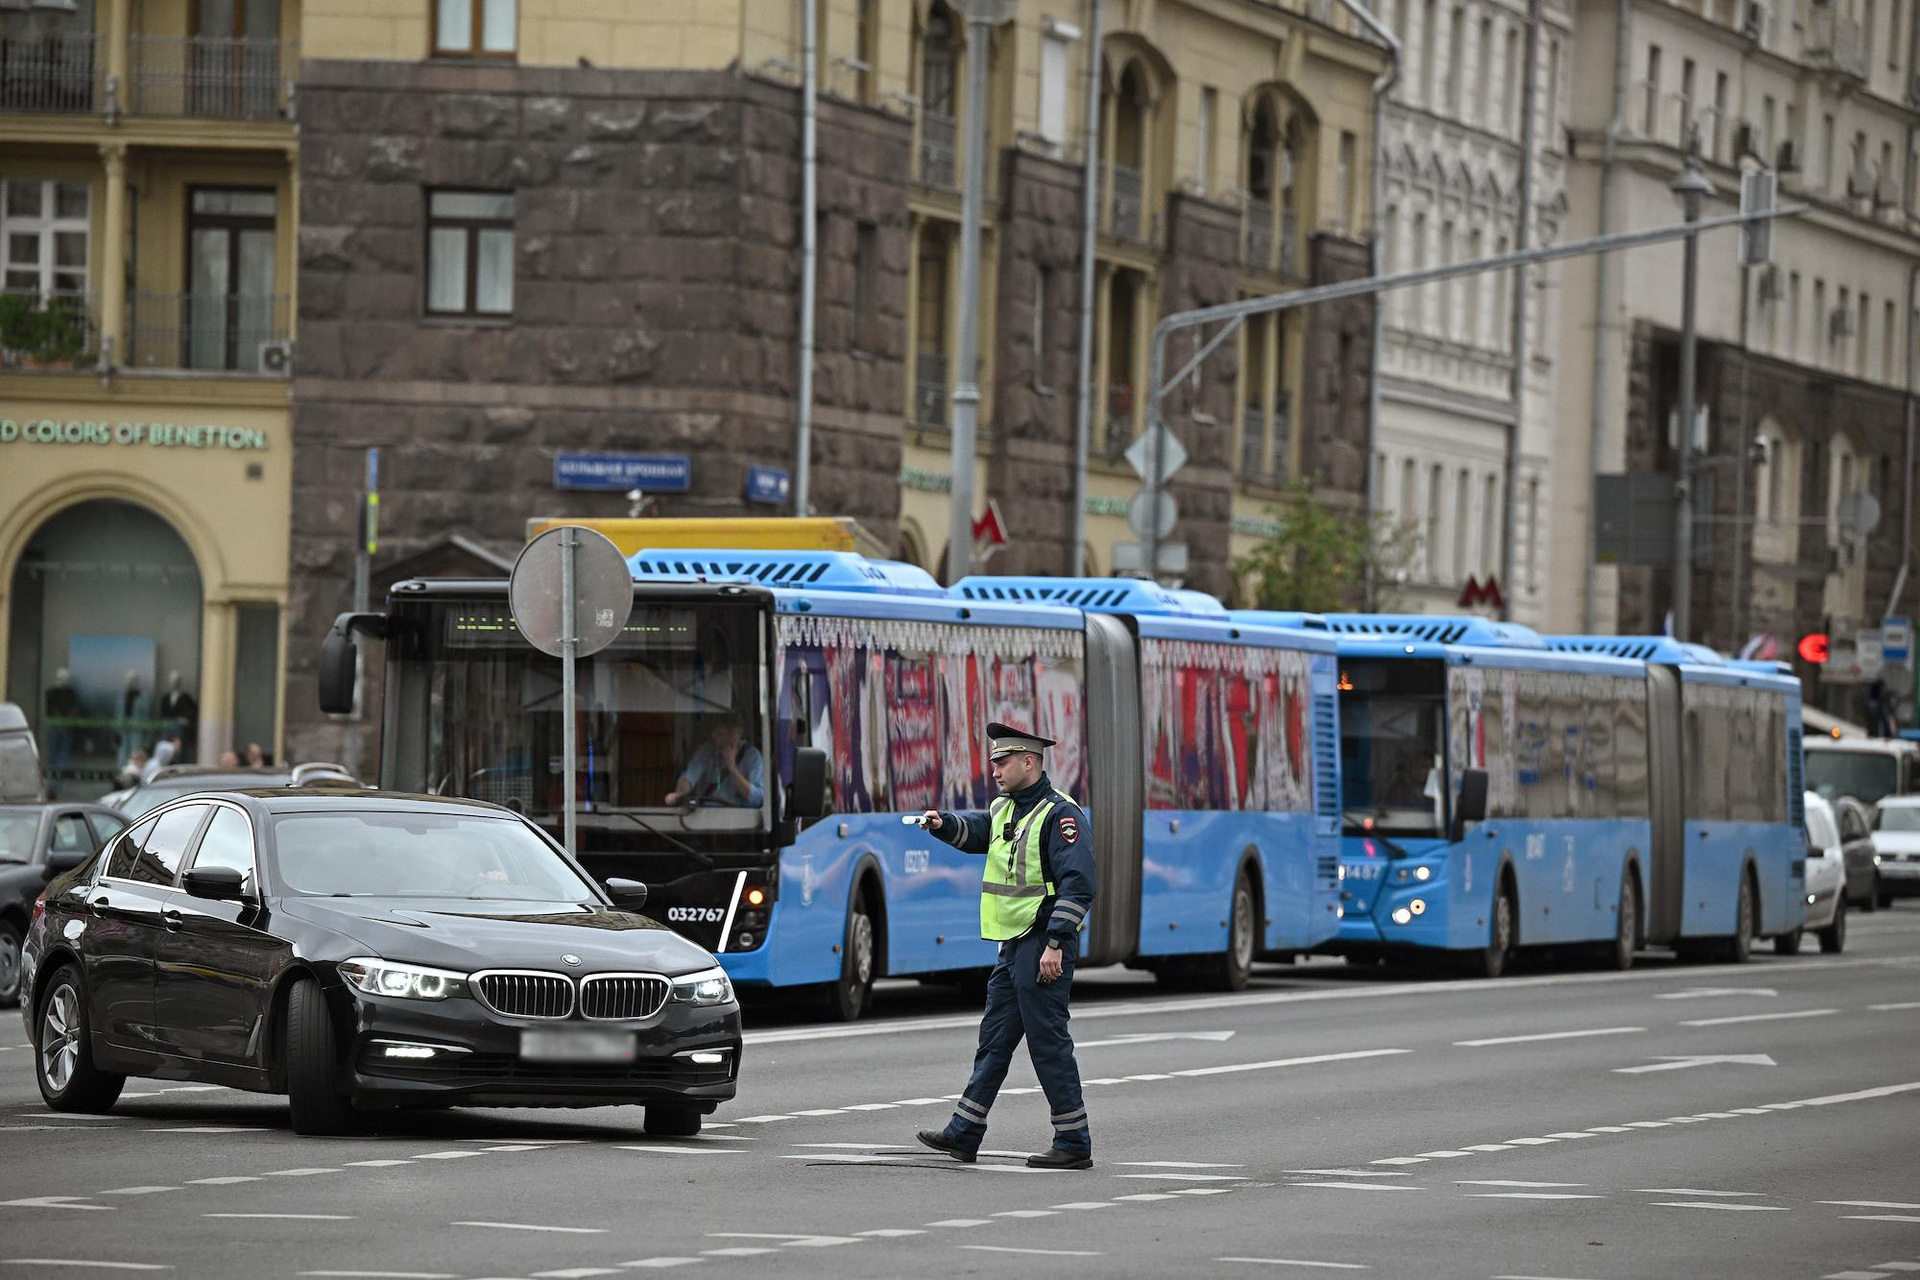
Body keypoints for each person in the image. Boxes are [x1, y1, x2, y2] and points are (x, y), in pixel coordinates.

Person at [914, 722, 1096, 1170]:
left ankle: (1073, 1141)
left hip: (1041, 944)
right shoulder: (1005, 808)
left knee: (1048, 1043)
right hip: (1013, 946)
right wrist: (943, 824)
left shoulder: (1062, 816)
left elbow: (1078, 886)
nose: (994, 769)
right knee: (994, 1041)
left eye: (1003, 761)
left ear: (1029, 762)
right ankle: (965, 1131)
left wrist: (1056, 943)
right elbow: (979, 831)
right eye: (994, 761)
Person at [664, 717, 764, 808]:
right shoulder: (706, 751)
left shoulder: (753, 756)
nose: (724, 739)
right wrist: (679, 794)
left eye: (729, 733)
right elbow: (690, 775)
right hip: (708, 815)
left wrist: (733, 769)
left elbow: (757, 798)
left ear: (739, 734)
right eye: (720, 734)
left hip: (739, 817)